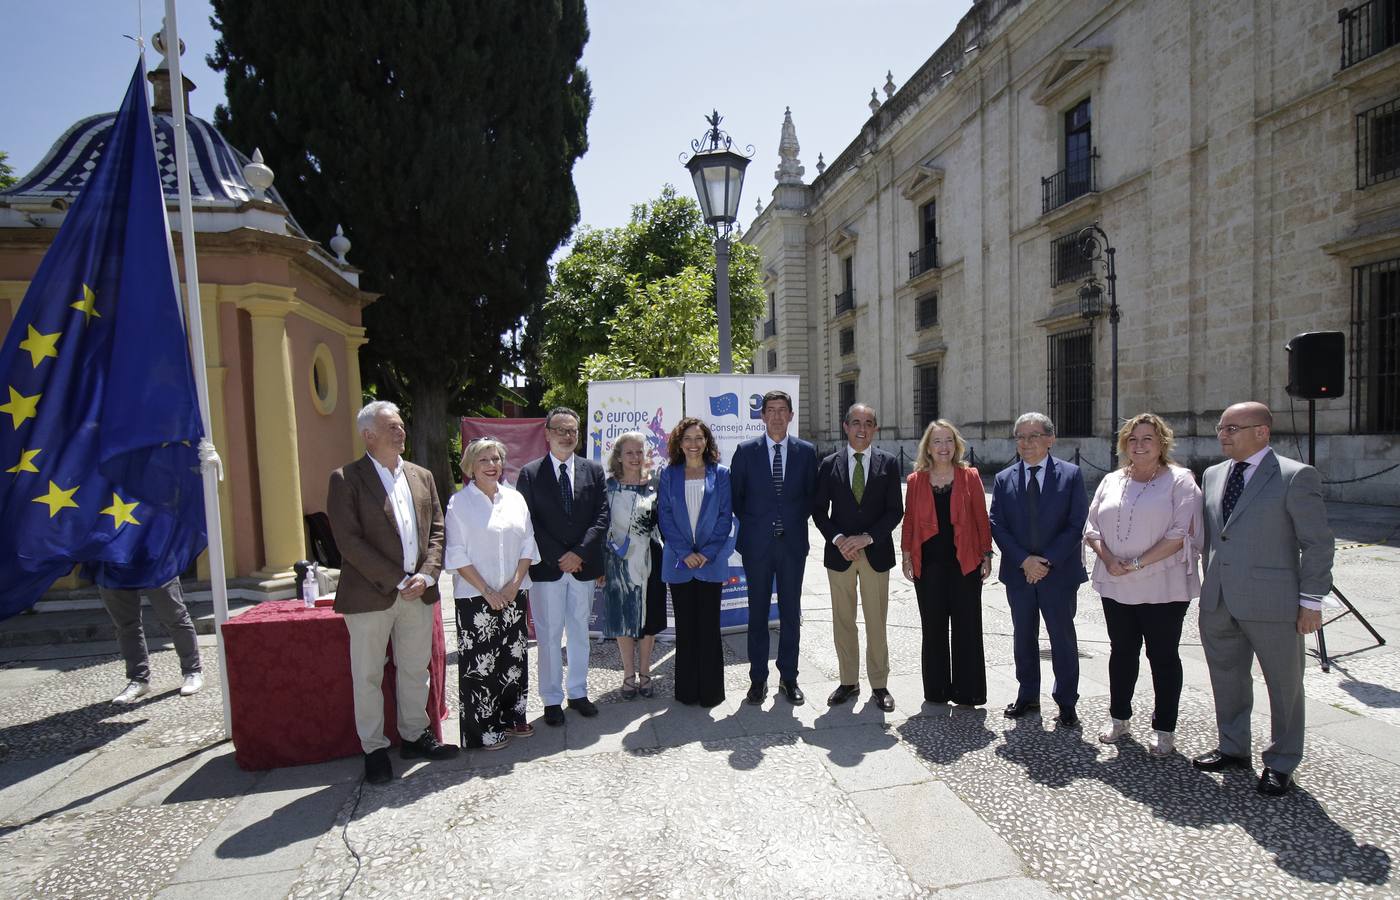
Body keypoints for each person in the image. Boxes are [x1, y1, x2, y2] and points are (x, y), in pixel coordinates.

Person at [1193, 401, 1334, 796]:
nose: (1224, 434)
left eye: (1233, 428)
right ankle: (1233, 747)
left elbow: (1318, 543)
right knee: (1227, 678)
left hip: (1274, 604)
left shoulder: (1295, 476)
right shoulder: (1214, 474)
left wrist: (1311, 602)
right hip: (1220, 598)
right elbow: (1215, 536)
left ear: (1262, 431)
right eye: (1221, 428)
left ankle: (1282, 760)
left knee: (1284, 685)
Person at [327, 401, 457, 785]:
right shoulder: (345, 478)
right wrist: (398, 579)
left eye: (402, 425)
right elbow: (348, 541)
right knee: (367, 674)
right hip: (371, 595)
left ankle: (415, 736)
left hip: (419, 592)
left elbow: (437, 528)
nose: (401, 432)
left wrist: (428, 574)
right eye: (392, 427)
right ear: (368, 435)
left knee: (415, 669)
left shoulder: (421, 475)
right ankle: (374, 748)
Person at [1083, 413, 1202, 757]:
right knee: (1121, 653)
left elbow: (1181, 533)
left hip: (1163, 585)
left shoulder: (1180, 481)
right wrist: (1107, 558)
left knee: (1162, 656)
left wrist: (1136, 563)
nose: (1139, 445)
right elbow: (1092, 526)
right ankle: (1119, 717)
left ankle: (1164, 728)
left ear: (1162, 442)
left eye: (1147, 438)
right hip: (1117, 582)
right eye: (1132, 439)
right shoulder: (1111, 480)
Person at [989, 412, 1088, 727]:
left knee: (1062, 638)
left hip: (1058, 574)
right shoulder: (1004, 479)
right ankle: (1028, 694)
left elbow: (1076, 524)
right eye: (1020, 436)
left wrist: (1045, 562)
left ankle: (1066, 701)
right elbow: (997, 525)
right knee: (1023, 637)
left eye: (1033, 436)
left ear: (1050, 439)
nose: (1026, 442)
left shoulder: (1071, 475)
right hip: (1019, 574)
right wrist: (1024, 560)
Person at [443, 438, 539, 750]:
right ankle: (483, 729)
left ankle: (513, 717)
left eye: (496, 458)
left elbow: (528, 543)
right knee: (481, 663)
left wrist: (513, 584)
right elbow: (456, 553)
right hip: (475, 597)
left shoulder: (515, 499)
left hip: (513, 592)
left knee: (513, 657)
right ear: (470, 466)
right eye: (483, 460)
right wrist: (487, 591)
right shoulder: (459, 504)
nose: (491, 465)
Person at [516, 407, 610, 726]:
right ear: (547, 434)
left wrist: (580, 552)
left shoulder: (593, 471)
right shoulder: (530, 473)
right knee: (549, 635)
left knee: (579, 632)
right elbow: (528, 521)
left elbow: (601, 517)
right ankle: (552, 699)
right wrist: (561, 555)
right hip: (548, 568)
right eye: (561, 430)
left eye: (573, 431)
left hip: (582, 567)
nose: (568, 436)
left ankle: (579, 692)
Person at [812, 403, 904, 711]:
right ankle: (848, 682)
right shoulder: (828, 464)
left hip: (875, 552)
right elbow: (818, 511)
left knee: (877, 621)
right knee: (843, 620)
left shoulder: (889, 463)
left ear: (875, 428)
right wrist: (840, 540)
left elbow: (895, 510)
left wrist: (868, 537)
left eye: (868, 423)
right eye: (855, 422)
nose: (861, 428)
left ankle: (879, 684)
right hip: (840, 554)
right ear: (845, 426)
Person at [730, 389, 818, 706]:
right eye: (771, 409)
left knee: (791, 613)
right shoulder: (745, 451)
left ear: (791, 416)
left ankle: (789, 678)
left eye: (783, 410)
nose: (777, 415)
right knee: (757, 613)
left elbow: (812, 497)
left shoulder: (806, 452)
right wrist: (761, 524)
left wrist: (788, 522)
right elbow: (737, 499)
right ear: (762, 415)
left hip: (792, 545)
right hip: (757, 546)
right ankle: (758, 680)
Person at [901, 420, 992, 708]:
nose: (943, 447)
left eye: (948, 441)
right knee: (933, 627)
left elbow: (981, 517)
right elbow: (910, 521)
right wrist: (905, 555)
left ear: (956, 445)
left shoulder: (970, 476)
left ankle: (969, 692)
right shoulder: (916, 480)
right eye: (937, 441)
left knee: (967, 627)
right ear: (928, 447)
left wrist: (987, 554)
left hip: (964, 562)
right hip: (928, 566)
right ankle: (937, 691)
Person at [657, 417, 733, 707]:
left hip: (709, 563)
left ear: (706, 441)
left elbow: (726, 516)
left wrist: (708, 552)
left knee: (709, 629)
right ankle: (686, 692)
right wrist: (683, 552)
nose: (693, 444)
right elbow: (665, 516)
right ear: (679, 442)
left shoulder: (721, 473)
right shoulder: (669, 474)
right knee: (686, 630)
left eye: (698, 438)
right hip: (680, 564)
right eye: (687, 438)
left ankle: (712, 693)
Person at [600, 432, 666, 699]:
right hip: (617, 561)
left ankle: (646, 672)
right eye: (629, 452)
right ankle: (628, 675)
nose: (636, 457)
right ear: (618, 456)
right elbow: (600, 525)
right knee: (623, 617)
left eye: (640, 452)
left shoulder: (656, 485)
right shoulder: (607, 487)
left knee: (648, 619)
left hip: (651, 558)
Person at [94, 573, 203, 704]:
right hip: (113, 560)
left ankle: (193, 671)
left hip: (153, 557)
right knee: (125, 625)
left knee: (175, 615)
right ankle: (138, 679)